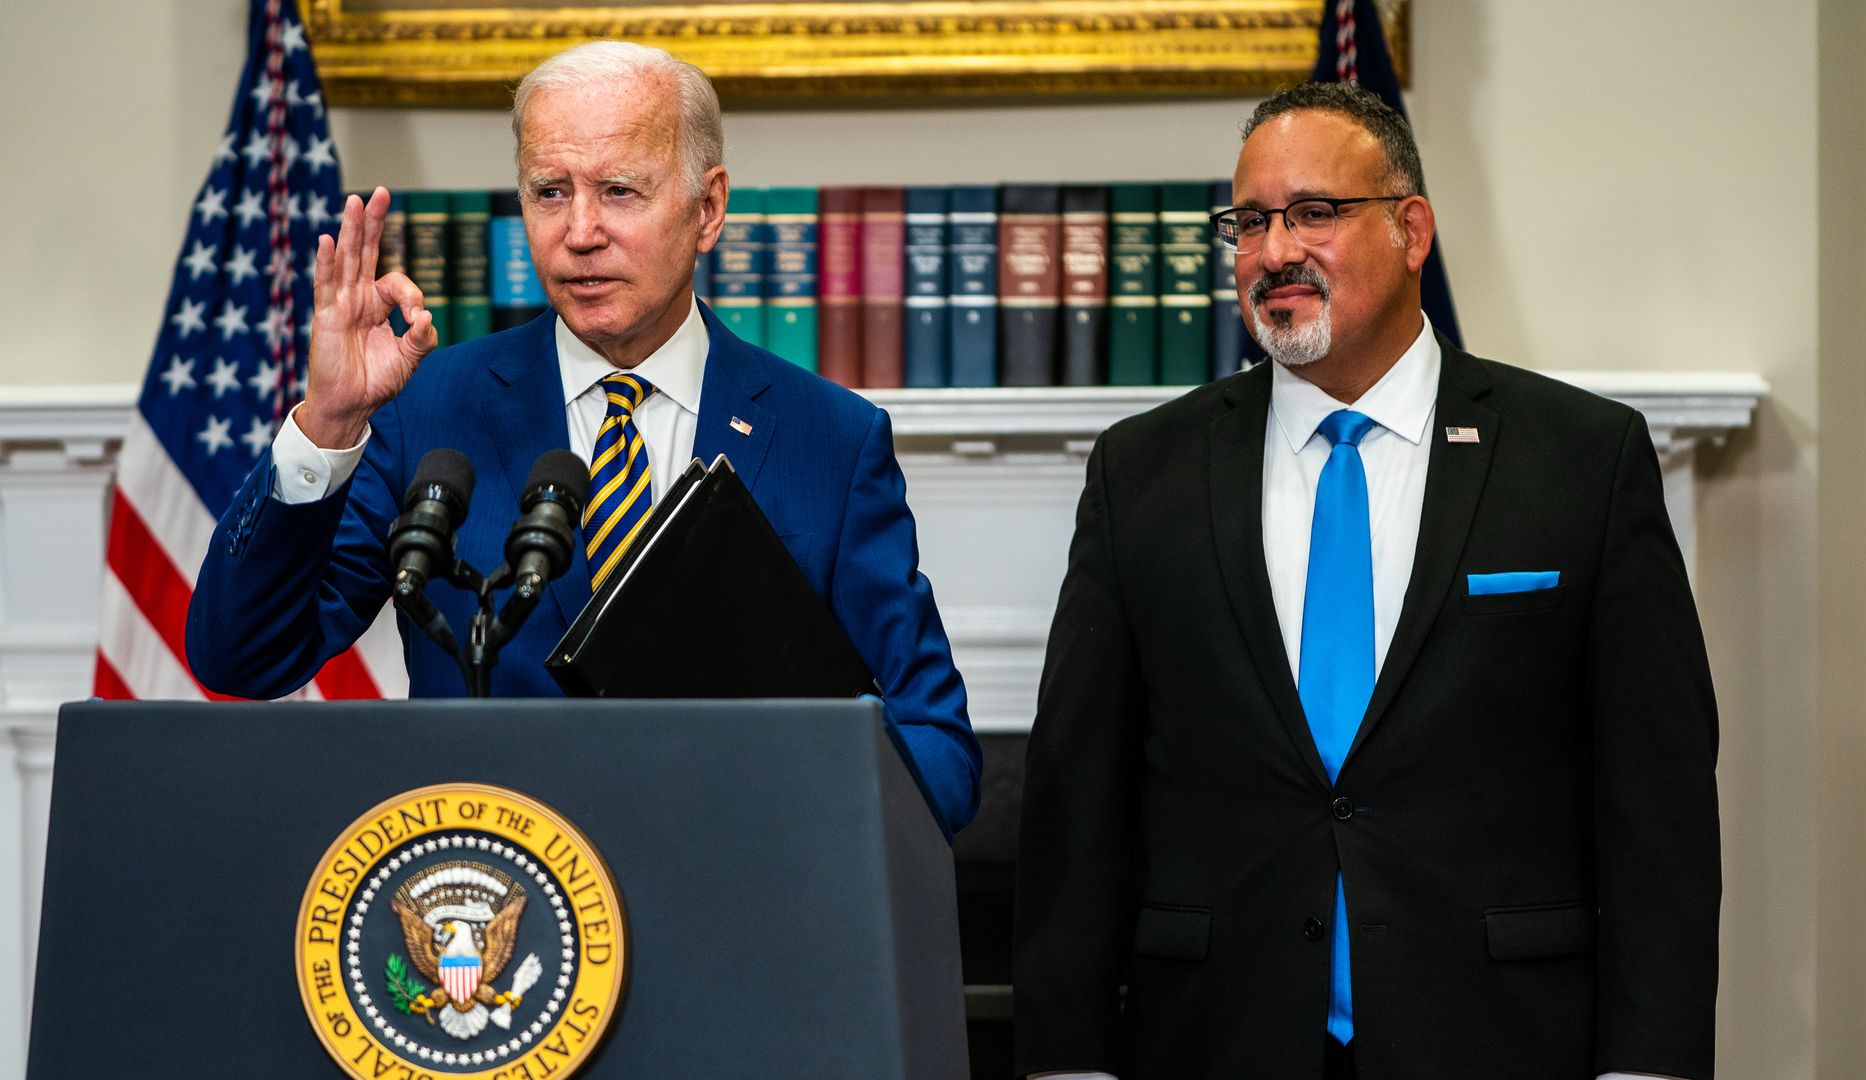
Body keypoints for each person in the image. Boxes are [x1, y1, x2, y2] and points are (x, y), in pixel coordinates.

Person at [1012, 82, 1719, 1080]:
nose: (1272, 251)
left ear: (1411, 228)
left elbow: (1662, 812)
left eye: (1313, 213)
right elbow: (1076, 801)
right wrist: (1067, 1061)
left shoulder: (1579, 460)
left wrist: (1649, 1066)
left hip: (1502, 1041)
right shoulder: (1145, 472)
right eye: (1249, 222)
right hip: (1216, 1038)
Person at [183, 42, 980, 835]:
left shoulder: (830, 438)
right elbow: (244, 658)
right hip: (497, 916)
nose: (581, 231)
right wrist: (326, 423)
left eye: (620, 191)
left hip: (737, 900)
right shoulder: (423, 410)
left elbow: (936, 747)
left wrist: (799, 824)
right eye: (550, 192)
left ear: (707, 209)